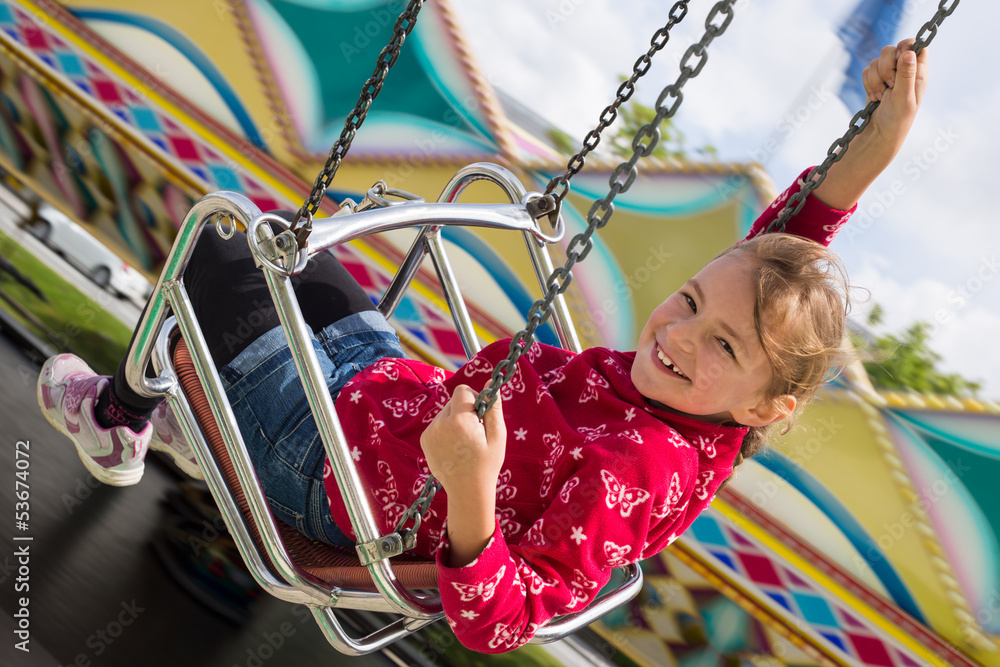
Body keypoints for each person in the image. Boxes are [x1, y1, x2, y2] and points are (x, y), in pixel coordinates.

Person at [37, 42, 927, 652]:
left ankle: (117, 417)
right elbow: (782, 249)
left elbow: (503, 618)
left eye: (722, 344)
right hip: (384, 387)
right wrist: (870, 156)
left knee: (219, 247)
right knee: (292, 246)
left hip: (327, 465)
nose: (680, 333)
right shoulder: (711, 422)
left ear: (769, 407)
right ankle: (159, 408)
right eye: (691, 301)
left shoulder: (639, 472)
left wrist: (467, 485)